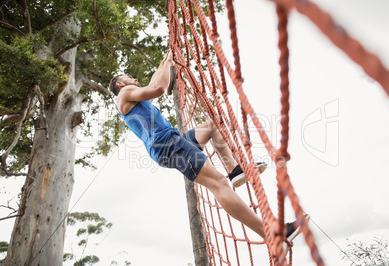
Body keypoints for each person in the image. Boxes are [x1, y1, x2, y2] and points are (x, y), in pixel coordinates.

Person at [109, 50, 306, 250]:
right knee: (218, 183)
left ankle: (235, 170)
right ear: (120, 84)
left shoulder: (134, 97)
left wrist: (167, 57)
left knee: (214, 124)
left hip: (173, 141)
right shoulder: (125, 94)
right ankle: (271, 233)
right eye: (128, 77)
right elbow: (158, 87)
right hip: (169, 146)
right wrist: (167, 63)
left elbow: (154, 80)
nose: (134, 78)